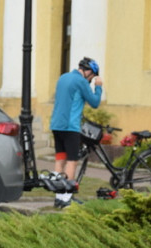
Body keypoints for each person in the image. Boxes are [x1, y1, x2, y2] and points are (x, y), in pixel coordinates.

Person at [49, 56, 104, 208]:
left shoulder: (63, 77)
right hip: (70, 127)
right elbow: (94, 102)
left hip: (56, 125)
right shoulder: (80, 81)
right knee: (72, 160)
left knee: (60, 159)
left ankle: (58, 197)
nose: (91, 80)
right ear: (88, 72)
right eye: (92, 77)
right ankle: (66, 198)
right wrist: (98, 86)